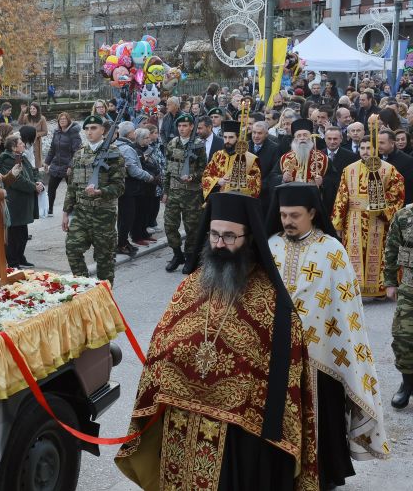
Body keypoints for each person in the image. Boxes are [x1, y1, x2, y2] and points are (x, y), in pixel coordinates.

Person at [116, 192, 318, 490]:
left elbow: (282, 370)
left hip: (238, 431)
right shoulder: (192, 285)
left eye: (228, 237)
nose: (220, 244)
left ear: (248, 239)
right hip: (181, 420)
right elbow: (163, 341)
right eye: (214, 235)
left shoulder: (271, 300)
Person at [267, 183, 390, 488]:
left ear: (312, 213)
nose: (288, 221)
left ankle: (324, 474)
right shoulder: (271, 247)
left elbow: (347, 310)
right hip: (277, 353)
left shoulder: (332, 251)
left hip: (322, 356)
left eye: (295, 215)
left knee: (324, 414)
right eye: (283, 215)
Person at [331, 136, 405, 297]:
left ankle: (380, 290)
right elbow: (342, 197)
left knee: (379, 255)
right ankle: (356, 290)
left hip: (378, 219)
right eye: (362, 148)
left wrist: (383, 210)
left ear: (376, 149)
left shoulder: (389, 169)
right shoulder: (349, 169)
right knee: (354, 254)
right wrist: (337, 224)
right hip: (353, 220)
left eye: (368, 148)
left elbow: (397, 194)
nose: (365, 152)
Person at [62, 114, 125, 284]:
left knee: (104, 260)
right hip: (81, 212)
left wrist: (101, 192)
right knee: (72, 249)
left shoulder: (114, 154)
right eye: (87, 129)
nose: (89, 132)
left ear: (103, 131)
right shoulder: (79, 154)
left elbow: (119, 187)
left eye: (94, 128)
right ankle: (85, 287)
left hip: (103, 214)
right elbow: (72, 186)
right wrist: (66, 212)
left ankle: (105, 297)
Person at [162, 112, 206, 274]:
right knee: (169, 225)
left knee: (192, 227)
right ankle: (177, 254)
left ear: (192, 127)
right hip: (173, 192)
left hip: (192, 194)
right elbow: (167, 169)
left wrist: (193, 177)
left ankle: (189, 257)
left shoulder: (198, 144)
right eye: (180, 126)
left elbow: (204, 169)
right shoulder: (172, 144)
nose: (182, 129)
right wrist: (165, 191)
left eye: (185, 126)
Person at [383, 203, 413, 409]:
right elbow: (392, 247)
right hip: (410, 286)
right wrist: (390, 281)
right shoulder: (404, 215)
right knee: (403, 337)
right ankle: (407, 384)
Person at [0, 134, 42, 269]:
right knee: (14, 235)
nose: (23, 144)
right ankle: (13, 262)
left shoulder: (22, 157)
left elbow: (33, 171)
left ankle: (20, 257)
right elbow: (17, 181)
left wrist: (37, 181)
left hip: (24, 201)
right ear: (13, 146)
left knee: (22, 234)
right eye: (21, 143)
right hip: (15, 202)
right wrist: (33, 187)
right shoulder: (6, 160)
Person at [114, 121, 156, 257]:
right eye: (133, 131)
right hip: (129, 187)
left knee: (125, 217)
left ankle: (124, 242)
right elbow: (133, 169)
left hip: (124, 187)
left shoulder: (121, 145)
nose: (135, 133)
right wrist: (149, 177)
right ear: (129, 133)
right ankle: (122, 243)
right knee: (127, 217)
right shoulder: (126, 148)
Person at [201, 120, 261, 199]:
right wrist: (218, 181)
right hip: (218, 199)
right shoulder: (218, 155)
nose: (227, 141)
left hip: (239, 200)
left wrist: (240, 179)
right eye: (225, 137)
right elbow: (206, 176)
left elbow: (257, 184)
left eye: (231, 137)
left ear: (238, 138)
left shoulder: (248, 158)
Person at [44, 112, 81, 216]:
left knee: (72, 189)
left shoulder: (74, 133)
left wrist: (71, 165)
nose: (62, 121)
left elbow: (77, 152)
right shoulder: (57, 132)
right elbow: (52, 149)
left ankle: (72, 209)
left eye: (64, 119)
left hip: (68, 165)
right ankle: (50, 209)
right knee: (51, 188)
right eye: (60, 119)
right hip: (56, 165)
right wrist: (47, 161)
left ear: (68, 120)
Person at [132, 126, 163, 245]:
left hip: (151, 186)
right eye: (146, 138)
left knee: (147, 211)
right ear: (139, 139)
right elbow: (139, 167)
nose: (148, 140)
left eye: (149, 137)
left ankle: (145, 233)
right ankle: (137, 236)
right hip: (141, 186)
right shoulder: (134, 149)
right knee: (139, 213)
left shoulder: (149, 148)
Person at [321, 126, 359, 217]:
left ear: (341, 139)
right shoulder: (318, 156)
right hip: (324, 201)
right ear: (325, 139)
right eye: (329, 139)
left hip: (343, 200)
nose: (332, 142)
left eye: (335, 139)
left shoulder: (352, 157)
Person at [277, 119, 328, 186]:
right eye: (299, 136)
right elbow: (273, 177)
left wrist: (322, 181)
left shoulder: (322, 158)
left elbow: (333, 178)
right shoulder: (285, 158)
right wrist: (282, 178)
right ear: (294, 139)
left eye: (305, 135)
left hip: (313, 195)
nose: (302, 138)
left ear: (310, 138)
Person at [250, 120, 280, 211]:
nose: (256, 136)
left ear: (266, 134)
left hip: (264, 194)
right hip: (246, 192)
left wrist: (259, 185)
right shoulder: (246, 146)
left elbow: (274, 172)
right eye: (254, 132)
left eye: (259, 133)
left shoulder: (274, 148)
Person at [378, 128, 413, 205]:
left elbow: (408, 188)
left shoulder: (407, 161)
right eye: (377, 143)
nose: (378, 146)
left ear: (392, 144)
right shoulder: (376, 158)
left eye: (382, 143)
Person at [17, 102, 48, 169]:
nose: (32, 110)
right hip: (26, 142)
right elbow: (19, 122)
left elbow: (45, 132)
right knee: (26, 157)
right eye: (30, 108)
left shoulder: (42, 118)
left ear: (37, 110)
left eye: (34, 109)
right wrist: (22, 112)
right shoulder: (26, 116)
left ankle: (36, 171)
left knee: (36, 158)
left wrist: (35, 134)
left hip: (36, 142)